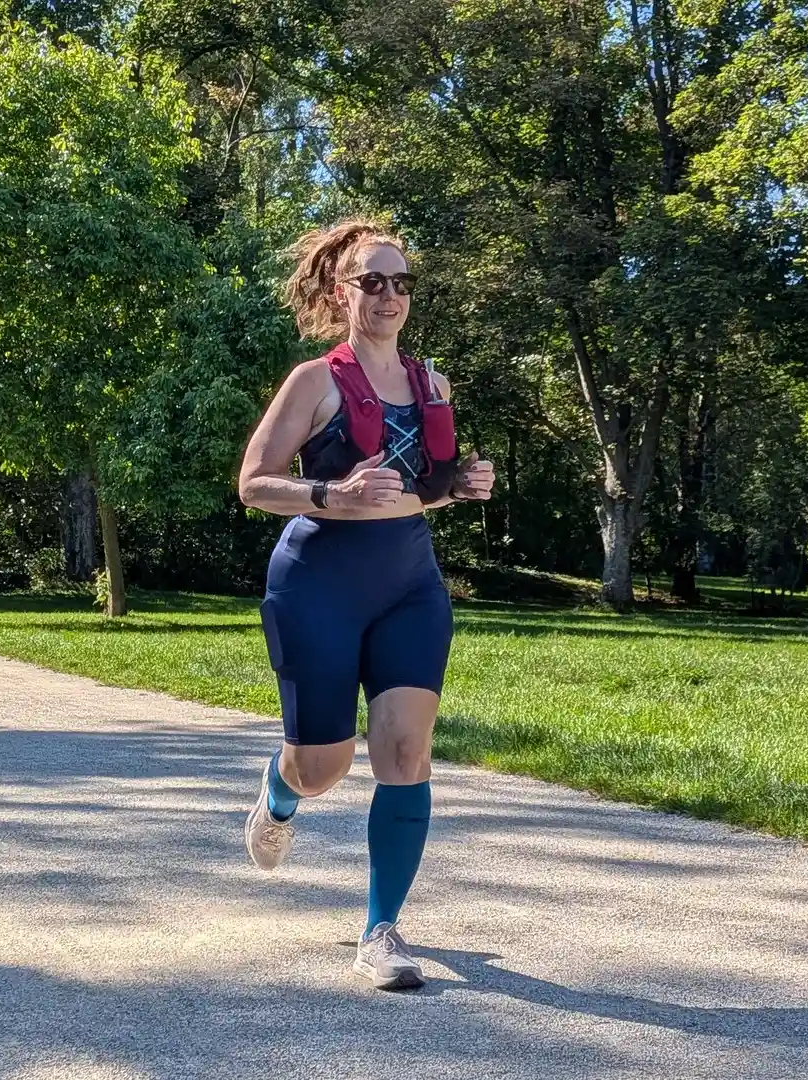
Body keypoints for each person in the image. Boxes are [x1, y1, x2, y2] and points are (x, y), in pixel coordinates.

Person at [236, 218, 496, 990]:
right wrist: (329, 493)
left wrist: (464, 485)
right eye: (372, 281)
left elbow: (424, 491)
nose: (389, 296)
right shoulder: (313, 381)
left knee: (404, 754)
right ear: (338, 291)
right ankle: (281, 794)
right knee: (323, 768)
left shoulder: (433, 386)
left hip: (409, 588)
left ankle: (382, 932)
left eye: (401, 282)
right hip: (316, 586)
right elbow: (253, 483)